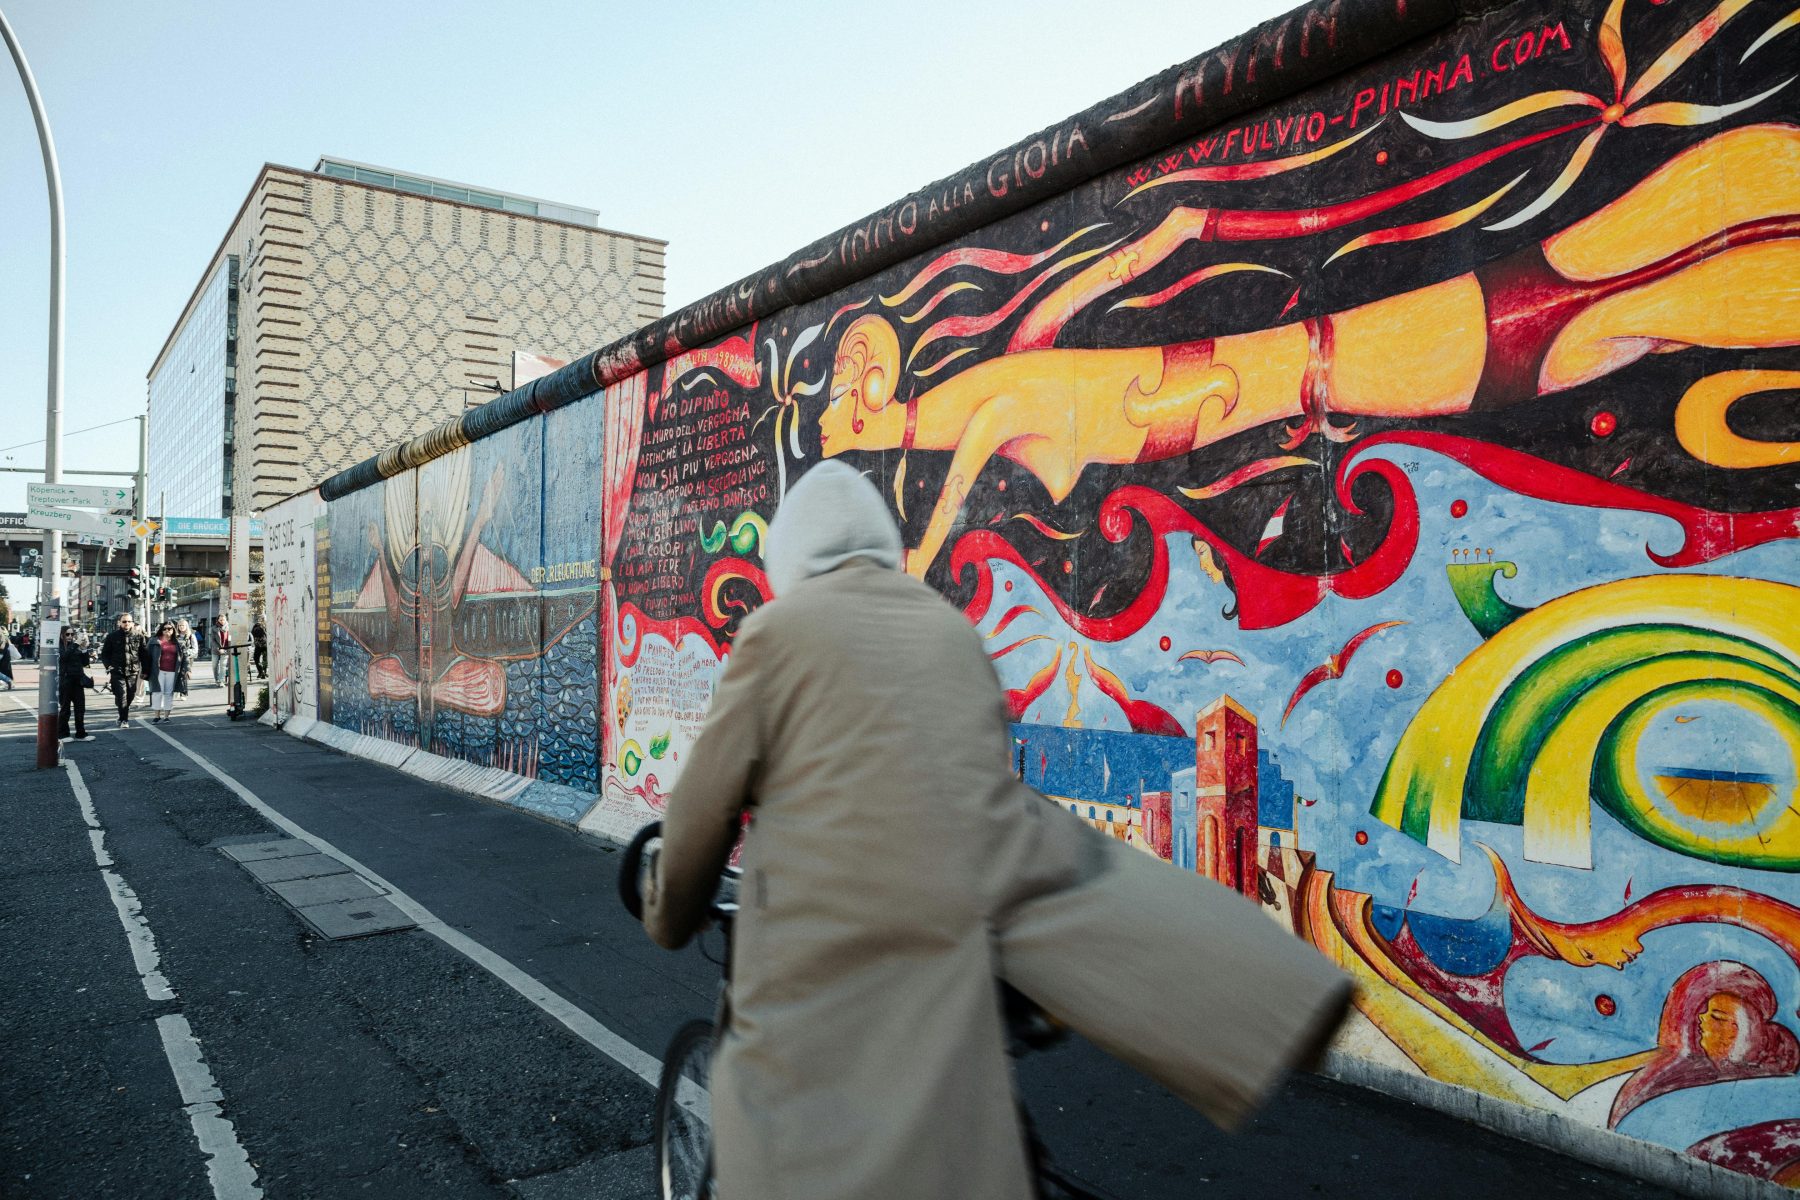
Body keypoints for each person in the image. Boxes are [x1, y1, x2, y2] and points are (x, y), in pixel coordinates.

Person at [637, 462, 1352, 1200]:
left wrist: (668, 908)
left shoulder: (774, 634)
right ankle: (1273, 1008)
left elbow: (701, 810)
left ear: (790, 554)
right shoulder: (947, 630)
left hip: (821, 983)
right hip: (969, 934)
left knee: (784, 1122)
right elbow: (987, 799)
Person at [99, 613, 150, 729]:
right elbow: (105, 654)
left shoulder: (139, 636)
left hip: (133, 671)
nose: (126, 624)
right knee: (122, 695)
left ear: (132, 623)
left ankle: (121, 714)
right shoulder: (112, 636)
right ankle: (124, 720)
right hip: (117, 671)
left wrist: (146, 670)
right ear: (119, 623)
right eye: (124, 622)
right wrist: (108, 666)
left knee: (130, 695)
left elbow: (144, 654)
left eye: (128, 621)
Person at [57, 628, 96, 742]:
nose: (70, 636)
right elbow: (64, 657)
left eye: (72, 634)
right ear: (61, 635)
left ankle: (81, 733)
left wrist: (84, 649)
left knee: (80, 708)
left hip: (78, 680)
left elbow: (85, 663)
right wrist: (76, 644)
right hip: (65, 679)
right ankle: (63, 734)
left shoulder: (74, 646)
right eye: (67, 634)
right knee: (65, 708)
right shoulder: (60, 646)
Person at [146, 621, 188, 724]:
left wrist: (186, 670)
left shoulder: (179, 642)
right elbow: (147, 657)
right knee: (157, 692)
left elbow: (184, 658)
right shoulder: (154, 641)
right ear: (161, 629)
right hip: (158, 671)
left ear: (173, 630)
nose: (166, 631)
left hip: (173, 671)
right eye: (164, 628)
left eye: (169, 628)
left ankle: (166, 717)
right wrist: (145, 670)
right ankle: (156, 716)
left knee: (169, 693)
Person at [174, 619, 199, 701]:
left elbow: (195, 649)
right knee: (176, 674)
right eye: (180, 625)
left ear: (186, 626)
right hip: (176, 658)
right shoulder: (175, 635)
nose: (181, 627)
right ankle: (177, 690)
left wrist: (186, 653)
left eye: (183, 625)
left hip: (187, 658)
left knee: (183, 674)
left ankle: (183, 693)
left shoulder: (191, 635)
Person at [212, 616, 231, 686]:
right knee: (214, 665)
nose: (222, 621)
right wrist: (219, 649)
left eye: (223, 620)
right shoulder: (214, 628)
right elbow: (213, 640)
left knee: (223, 665)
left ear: (226, 620)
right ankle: (216, 680)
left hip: (226, 649)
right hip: (216, 649)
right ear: (218, 620)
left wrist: (227, 648)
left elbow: (230, 638)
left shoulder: (229, 628)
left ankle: (221, 681)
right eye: (220, 620)